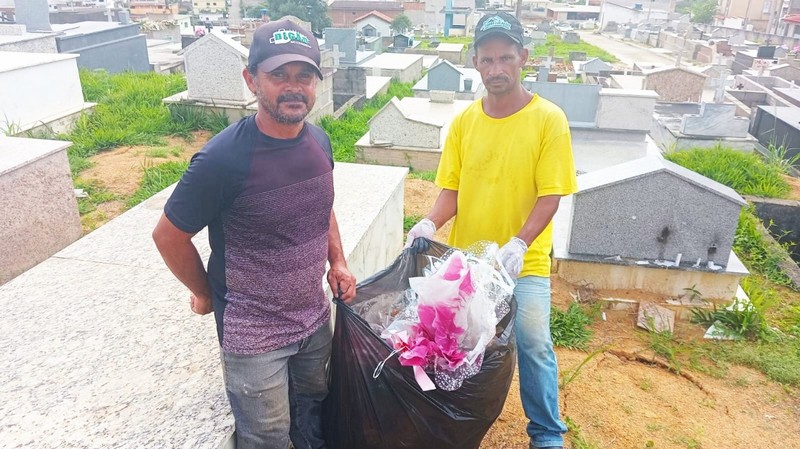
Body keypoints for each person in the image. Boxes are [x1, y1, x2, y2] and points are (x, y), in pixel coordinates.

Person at [152, 19, 356, 449]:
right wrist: (205, 293)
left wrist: (337, 261)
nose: (293, 86)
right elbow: (168, 236)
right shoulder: (221, 160)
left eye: (304, 76)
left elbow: (322, 205)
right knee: (266, 436)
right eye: (278, 74)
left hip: (313, 317)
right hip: (253, 332)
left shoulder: (319, 142)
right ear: (251, 80)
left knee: (313, 409)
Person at [405, 12, 578, 449]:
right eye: (487, 60)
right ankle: (457, 422)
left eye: (505, 58)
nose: (496, 69)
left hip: (524, 261)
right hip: (469, 262)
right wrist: (429, 221)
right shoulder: (465, 122)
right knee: (459, 344)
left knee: (533, 342)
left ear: (523, 57)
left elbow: (551, 194)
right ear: (476, 63)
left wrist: (520, 243)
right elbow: (453, 189)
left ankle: (547, 434)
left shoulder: (548, 120)